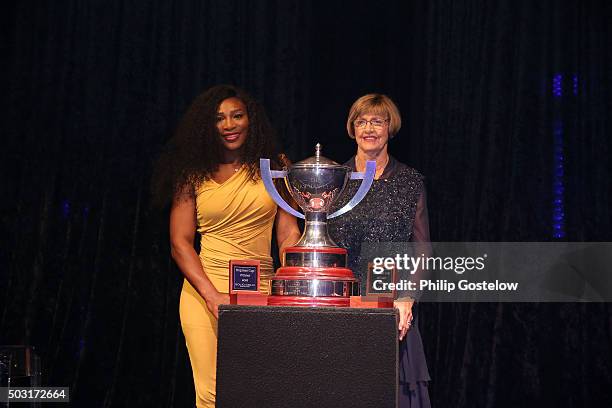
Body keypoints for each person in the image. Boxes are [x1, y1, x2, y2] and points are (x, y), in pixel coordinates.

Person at [151, 84, 300, 408]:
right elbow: (180, 243)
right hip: (204, 292)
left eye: (237, 115)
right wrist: (212, 296)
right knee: (212, 394)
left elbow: (288, 234)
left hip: (260, 292)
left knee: (256, 391)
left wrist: (295, 283)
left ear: (251, 119)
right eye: (220, 118)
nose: (229, 125)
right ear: (208, 125)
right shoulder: (192, 173)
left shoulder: (274, 168)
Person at [328, 93, 431, 407]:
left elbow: (423, 249)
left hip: (391, 308)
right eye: (362, 121)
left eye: (377, 121)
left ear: (390, 127)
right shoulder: (336, 180)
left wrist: (407, 299)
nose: (368, 128)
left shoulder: (410, 181)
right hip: (342, 309)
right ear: (352, 128)